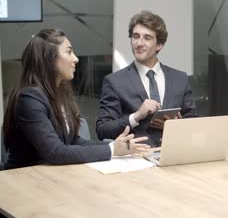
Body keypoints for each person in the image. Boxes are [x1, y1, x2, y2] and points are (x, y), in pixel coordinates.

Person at [2, 29, 150, 170]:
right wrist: (111, 149)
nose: (76, 59)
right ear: (50, 59)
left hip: (51, 176)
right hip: (22, 180)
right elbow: (55, 152)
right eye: (69, 52)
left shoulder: (60, 92)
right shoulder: (29, 98)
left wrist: (117, 146)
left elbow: (73, 141)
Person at [96, 11, 197, 146]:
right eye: (135, 36)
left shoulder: (180, 79)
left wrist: (176, 127)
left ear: (159, 44)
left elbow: (194, 123)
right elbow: (103, 130)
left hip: (175, 154)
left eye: (147, 38)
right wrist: (136, 116)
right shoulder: (114, 82)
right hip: (136, 158)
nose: (139, 43)